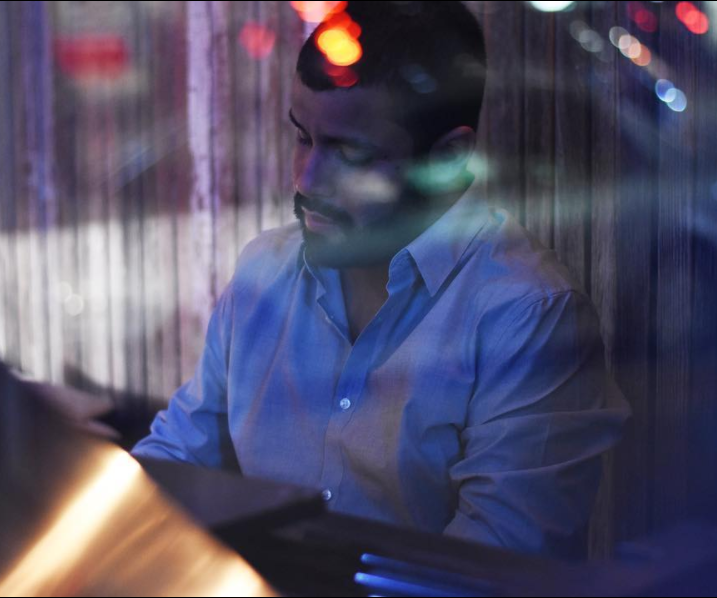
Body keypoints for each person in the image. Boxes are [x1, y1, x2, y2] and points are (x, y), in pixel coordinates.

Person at [133, 1, 629, 557]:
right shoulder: (265, 271)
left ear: (448, 157)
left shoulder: (527, 317)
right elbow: (178, 456)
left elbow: (492, 566)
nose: (307, 180)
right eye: (303, 137)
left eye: (350, 153)